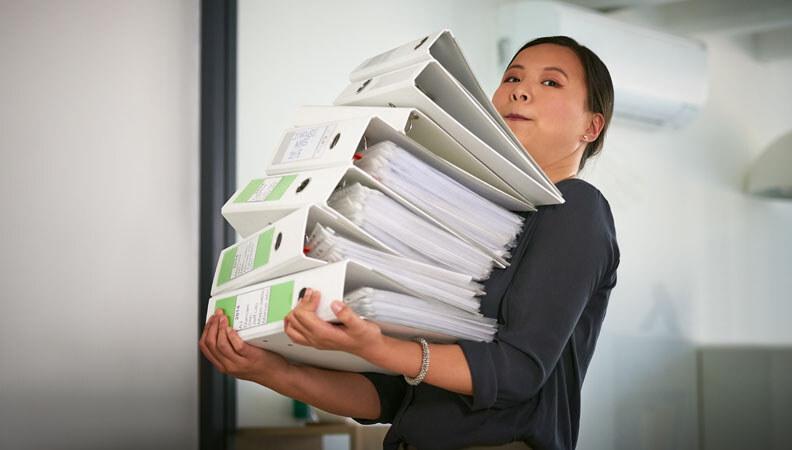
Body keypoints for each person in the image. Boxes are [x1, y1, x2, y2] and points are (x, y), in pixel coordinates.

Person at [199, 35, 619, 450]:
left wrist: (381, 347)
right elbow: (392, 398)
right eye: (511, 78)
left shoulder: (578, 209)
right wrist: (272, 371)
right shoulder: (478, 222)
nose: (520, 92)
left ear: (591, 126)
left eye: (551, 83)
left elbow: (517, 371)